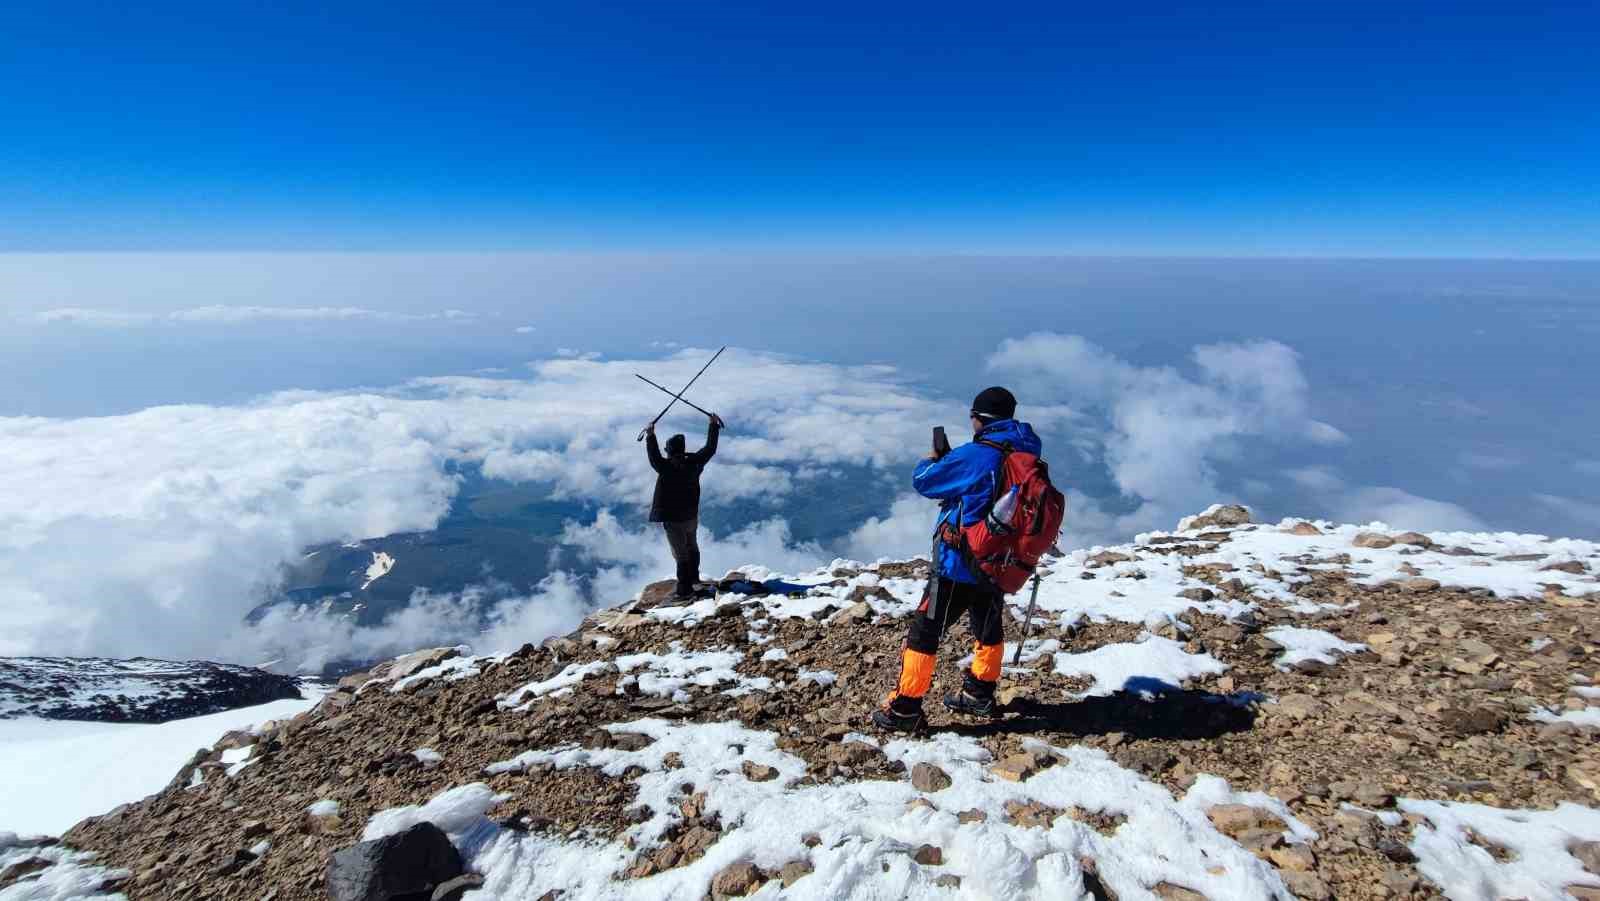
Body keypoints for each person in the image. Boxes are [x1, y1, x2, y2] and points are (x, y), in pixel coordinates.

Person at [872, 386, 1042, 732]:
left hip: (959, 560)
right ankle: (979, 692)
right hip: (1001, 559)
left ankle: (905, 708)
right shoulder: (1028, 450)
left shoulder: (976, 455)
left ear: (978, 419)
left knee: (925, 631)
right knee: (987, 624)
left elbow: (924, 482)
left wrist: (934, 459)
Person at [645, 414, 723, 599]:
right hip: (690, 516)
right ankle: (694, 579)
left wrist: (650, 435)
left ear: (669, 451)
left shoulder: (666, 467)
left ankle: (684, 590)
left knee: (680, 554)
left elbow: (654, 457)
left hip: (673, 520)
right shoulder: (694, 462)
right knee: (692, 547)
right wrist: (713, 426)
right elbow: (710, 448)